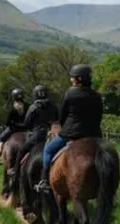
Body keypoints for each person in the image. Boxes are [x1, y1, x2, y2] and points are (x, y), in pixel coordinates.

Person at [35, 64, 103, 192]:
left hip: (71, 134)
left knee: (48, 150)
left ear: (78, 79)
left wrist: (62, 126)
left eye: (72, 77)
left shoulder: (71, 93)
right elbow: (99, 117)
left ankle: (44, 180)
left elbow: (62, 115)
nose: (71, 80)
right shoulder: (97, 96)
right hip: (94, 135)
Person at [11, 84, 58, 178]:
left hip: (37, 135)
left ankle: (15, 173)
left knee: (21, 150)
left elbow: (27, 122)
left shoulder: (33, 107)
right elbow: (58, 119)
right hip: (52, 135)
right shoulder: (53, 106)